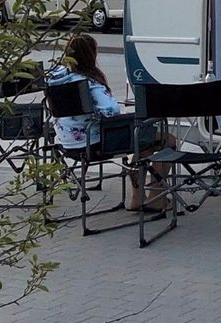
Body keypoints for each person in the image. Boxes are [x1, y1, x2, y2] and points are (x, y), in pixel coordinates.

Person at [46, 32, 169, 211]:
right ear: (91, 55)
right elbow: (111, 111)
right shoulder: (89, 82)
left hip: (67, 143)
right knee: (165, 139)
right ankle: (154, 197)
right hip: (95, 143)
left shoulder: (55, 78)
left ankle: (139, 198)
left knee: (143, 144)